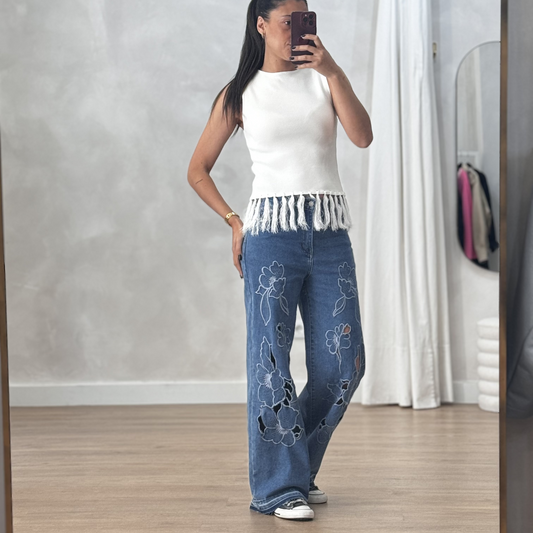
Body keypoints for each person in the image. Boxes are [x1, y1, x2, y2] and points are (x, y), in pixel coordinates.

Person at [187, 0, 372, 522]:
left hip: (329, 234)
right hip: (270, 235)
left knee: (345, 363)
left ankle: (294, 470)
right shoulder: (239, 93)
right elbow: (197, 169)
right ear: (261, 25)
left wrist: (333, 70)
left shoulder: (323, 80)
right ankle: (277, 489)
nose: (297, 29)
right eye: (288, 20)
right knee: (270, 362)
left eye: (305, 19)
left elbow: (362, 136)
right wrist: (234, 220)